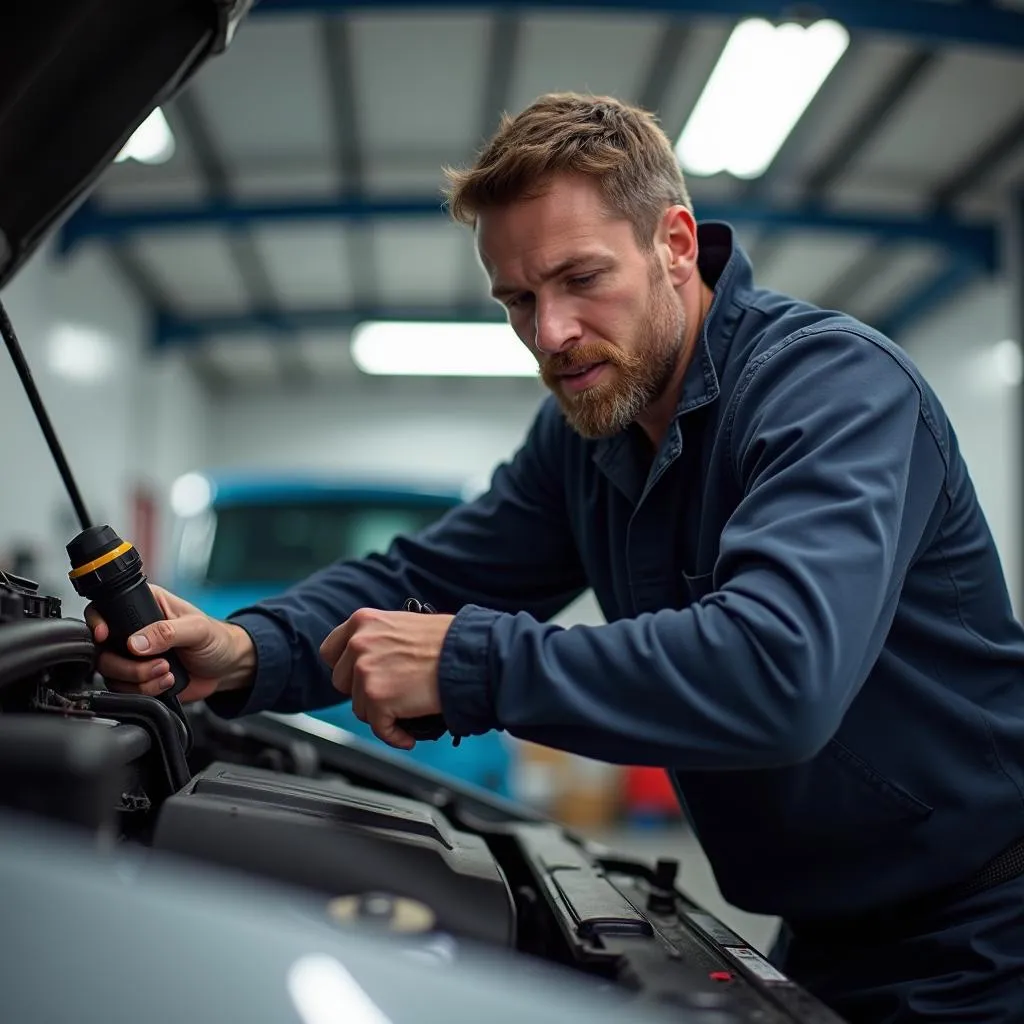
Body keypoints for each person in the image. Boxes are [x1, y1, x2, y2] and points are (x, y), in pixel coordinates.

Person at [89, 93, 1024, 1022]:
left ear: (677, 245)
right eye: (520, 300)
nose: (550, 334)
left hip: (986, 931)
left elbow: (779, 671)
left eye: (582, 278)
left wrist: (468, 662)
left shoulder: (832, 387)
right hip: (826, 929)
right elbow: (431, 575)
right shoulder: (587, 437)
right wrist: (248, 647)